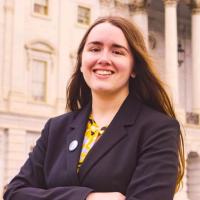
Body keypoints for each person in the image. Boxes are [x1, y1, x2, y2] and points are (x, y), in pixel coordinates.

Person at [3, 16, 184, 200]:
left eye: (117, 52)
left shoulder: (158, 129)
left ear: (134, 68)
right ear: (81, 62)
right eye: (95, 49)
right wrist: (88, 198)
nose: (104, 59)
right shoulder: (56, 128)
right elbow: (14, 193)